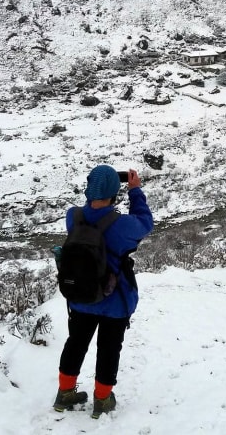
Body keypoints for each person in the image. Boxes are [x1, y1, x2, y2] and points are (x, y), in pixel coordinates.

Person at [53, 165, 154, 418]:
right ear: (113, 192)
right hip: (114, 301)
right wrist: (135, 191)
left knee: (75, 343)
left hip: (80, 297)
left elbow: (89, 215)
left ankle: (64, 394)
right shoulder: (123, 225)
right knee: (109, 349)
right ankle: (102, 400)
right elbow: (145, 223)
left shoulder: (72, 216)